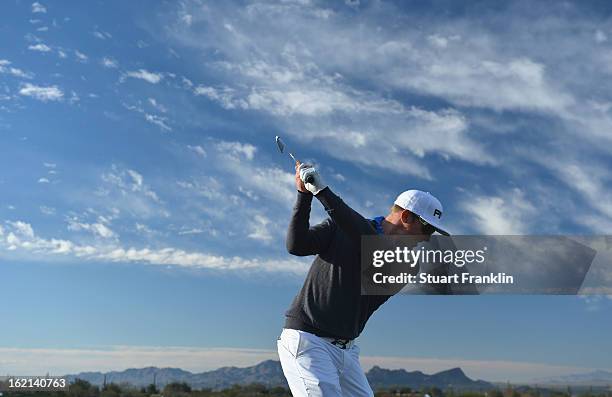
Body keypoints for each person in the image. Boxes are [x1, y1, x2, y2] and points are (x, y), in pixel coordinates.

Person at [277, 162, 450, 397]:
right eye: (427, 230)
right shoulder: (340, 227)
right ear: (407, 217)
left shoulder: (408, 263)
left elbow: (369, 244)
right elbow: (297, 245)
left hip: (346, 352)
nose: (428, 239)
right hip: (308, 340)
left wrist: (323, 192)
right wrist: (304, 195)